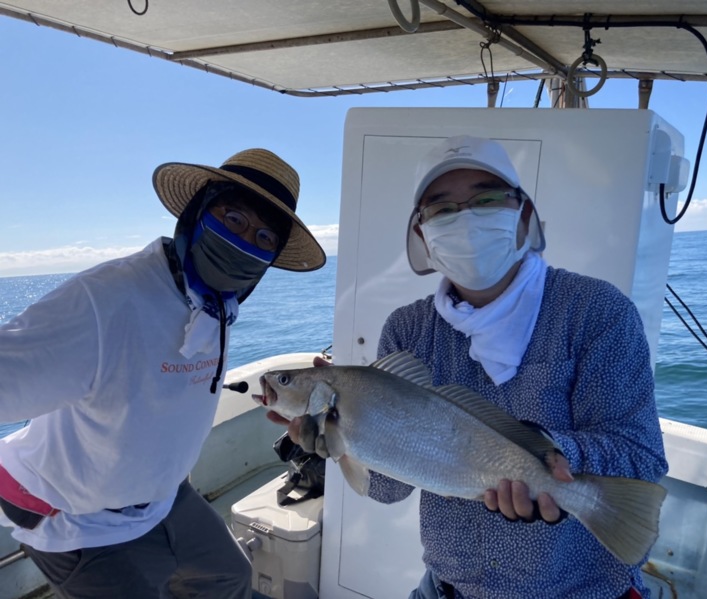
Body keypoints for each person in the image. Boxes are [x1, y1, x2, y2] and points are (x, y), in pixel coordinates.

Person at [276, 135, 668, 598]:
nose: (464, 219)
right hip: (447, 587)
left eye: (486, 200)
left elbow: (640, 457)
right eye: (442, 210)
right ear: (422, 233)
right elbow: (388, 489)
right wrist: (338, 445)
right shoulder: (407, 329)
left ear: (523, 215)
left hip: (578, 589)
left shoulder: (595, 311)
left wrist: (551, 461)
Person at [0, 148, 325, 598]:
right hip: (74, 514)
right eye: (233, 218)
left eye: (264, 236)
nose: (245, 240)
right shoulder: (106, 298)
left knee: (229, 577)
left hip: (164, 496)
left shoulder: (217, 301)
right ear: (198, 210)